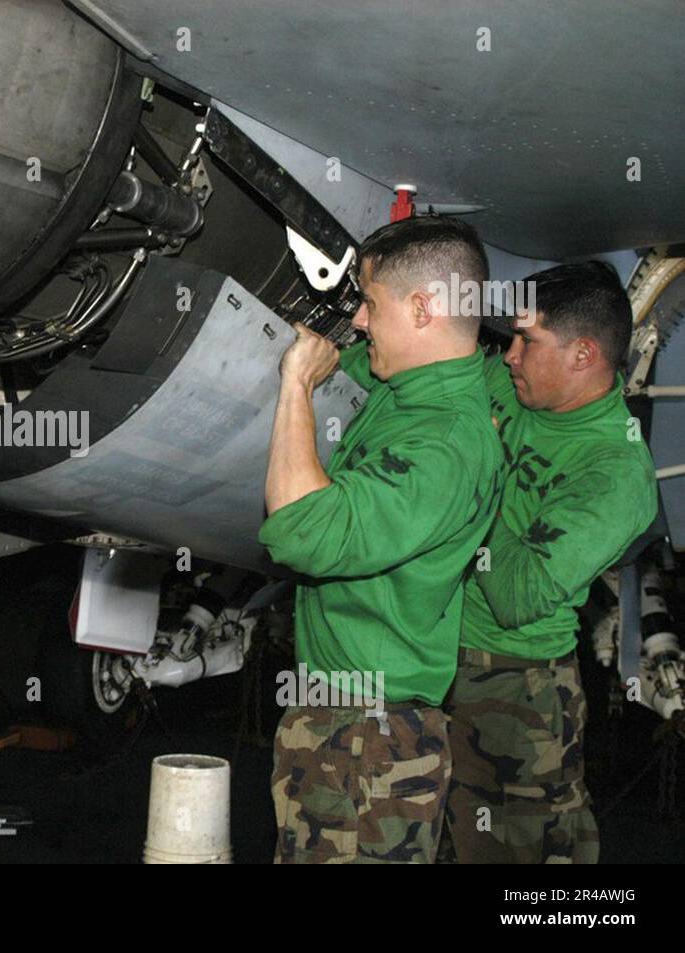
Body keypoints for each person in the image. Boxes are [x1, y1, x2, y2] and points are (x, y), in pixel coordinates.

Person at [258, 215, 503, 863]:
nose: (359, 321)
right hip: (352, 718)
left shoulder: (443, 446)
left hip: (370, 738)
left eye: (371, 303)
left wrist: (294, 386)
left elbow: (299, 532)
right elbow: (355, 358)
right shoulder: (417, 387)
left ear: (423, 308)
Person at [443, 262, 658, 863]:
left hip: (514, 686)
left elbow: (514, 594)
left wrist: (472, 474)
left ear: (583, 354)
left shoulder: (614, 476)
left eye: (526, 342)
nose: (507, 356)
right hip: (433, 654)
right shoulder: (513, 385)